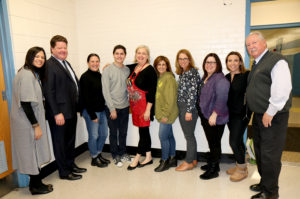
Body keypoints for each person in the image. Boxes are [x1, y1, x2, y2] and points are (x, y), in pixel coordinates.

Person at [246, 31, 292, 199]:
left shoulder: (276, 60)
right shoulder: (257, 63)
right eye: (248, 45)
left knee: (269, 155)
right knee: (259, 151)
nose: (251, 47)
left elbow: (282, 90)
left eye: (254, 43)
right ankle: (265, 182)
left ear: (264, 43)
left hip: (272, 116)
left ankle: (271, 193)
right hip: (260, 116)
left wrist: (270, 111)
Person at [10, 47, 53, 195]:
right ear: (30, 57)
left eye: (42, 57)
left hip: (27, 121)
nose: (40, 59)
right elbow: (26, 103)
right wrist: (36, 126)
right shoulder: (27, 75)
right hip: (27, 123)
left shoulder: (29, 73)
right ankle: (35, 187)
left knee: (33, 153)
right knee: (31, 153)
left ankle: (37, 183)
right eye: (37, 56)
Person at [44, 35, 86, 181]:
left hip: (70, 110)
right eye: (59, 48)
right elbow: (49, 92)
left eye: (65, 47)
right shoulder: (49, 65)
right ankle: (64, 172)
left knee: (69, 141)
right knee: (60, 143)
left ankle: (70, 164)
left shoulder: (65, 63)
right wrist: (57, 113)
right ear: (52, 49)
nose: (63, 50)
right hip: (60, 113)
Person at [198, 53, 230, 180]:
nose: (209, 65)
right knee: (212, 142)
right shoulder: (206, 77)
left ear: (217, 65)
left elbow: (222, 98)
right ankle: (213, 164)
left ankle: (214, 170)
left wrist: (214, 114)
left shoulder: (220, 79)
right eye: (207, 62)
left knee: (214, 143)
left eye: (212, 62)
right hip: (206, 115)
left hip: (215, 117)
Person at [126, 45, 157, 170]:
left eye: (144, 53)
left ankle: (137, 158)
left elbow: (152, 92)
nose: (141, 55)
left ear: (148, 56)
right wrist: (109, 66)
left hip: (145, 107)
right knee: (144, 131)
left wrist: (148, 110)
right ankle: (148, 156)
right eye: (138, 53)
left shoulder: (150, 70)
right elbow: (123, 66)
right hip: (135, 106)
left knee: (143, 134)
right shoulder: (134, 67)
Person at [102, 45, 132, 168]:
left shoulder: (127, 70)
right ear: (113, 54)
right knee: (113, 133)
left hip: (125, 107)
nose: (119, 56)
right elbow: (105, 91)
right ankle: (115, 155)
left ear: (125, 55)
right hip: (112, 107)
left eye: (122, 54)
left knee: (123, 132)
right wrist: (112, 108)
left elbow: (129, 87)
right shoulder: (107, 70)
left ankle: (123, 152)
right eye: (117, 53)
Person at [79, 53, 110, 168]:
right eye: (92, 61)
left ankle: (98, 153)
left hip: (101, 111)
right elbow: (85, 98)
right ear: (88, 63)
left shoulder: (100, 75)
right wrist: (92, 115)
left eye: (97, 61)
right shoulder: (85, 77)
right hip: (91, 112)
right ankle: (94, 157)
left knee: (103, 134)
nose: (95, 63)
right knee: (94, 135)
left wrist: (107, 71)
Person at [225, 51, 250, 182]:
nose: (232, 63)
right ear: (227, 63)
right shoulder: (227, 76)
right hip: (229, 115)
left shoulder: (246, 75)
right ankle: (241, 165)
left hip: (241, 115)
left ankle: (241, 171)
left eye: (235, 60)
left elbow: (252, 94)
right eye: (230, 60)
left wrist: (249, 112)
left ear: (240, 62)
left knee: (233, 142)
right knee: (238, 141)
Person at [175, 49, 201, 171]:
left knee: (189, 136)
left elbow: (193, 93)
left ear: (189, 59)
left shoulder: (192, 72)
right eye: (180, 59)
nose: (182, 61)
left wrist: (189, 110)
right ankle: (194, 159)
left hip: (187, 107)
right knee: (190, 135)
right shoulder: (184, 73)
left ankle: (189, 161)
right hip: (183, 106)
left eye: (185, 58)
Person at [153, 56, 178, 172]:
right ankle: (173, 158)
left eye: (164, 64)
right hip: (163, 113)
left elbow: (171, 99)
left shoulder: (168, 78)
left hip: (167, 114)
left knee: (162, 136)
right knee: (169, 136)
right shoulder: (160, 77)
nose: (161, 67)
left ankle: (165, 160)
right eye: (159, 65)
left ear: (167, 66)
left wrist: (165, 115)